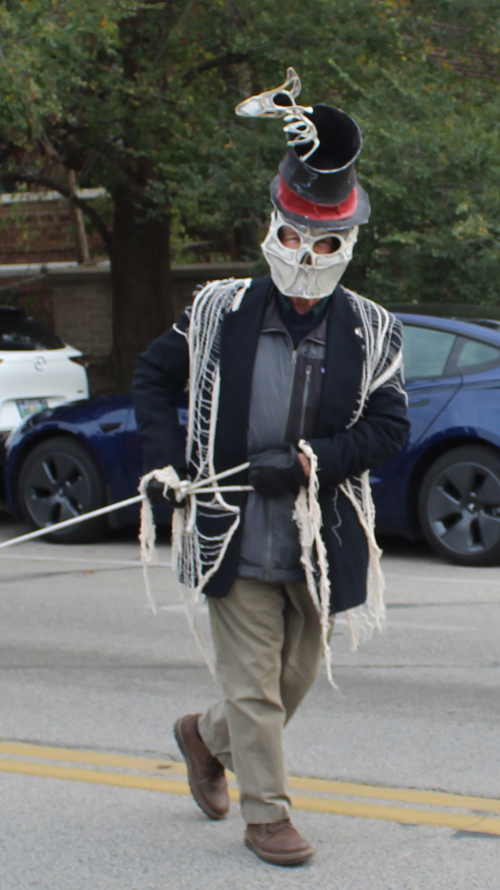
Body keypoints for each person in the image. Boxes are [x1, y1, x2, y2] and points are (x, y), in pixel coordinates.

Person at [132, 68, 410, 867]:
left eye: (323, 241)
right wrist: (162, 459)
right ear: (273, 224)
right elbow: (154, 377)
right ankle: (267, 816)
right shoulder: (218, 309)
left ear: (347, 243)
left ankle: (201, 737)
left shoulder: (373, 329)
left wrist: (313, 460)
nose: (306, 253)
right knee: (253, 685)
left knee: (290, 684)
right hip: (230, 527)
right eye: (293, 235)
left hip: (315, 534)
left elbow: (390, 426)